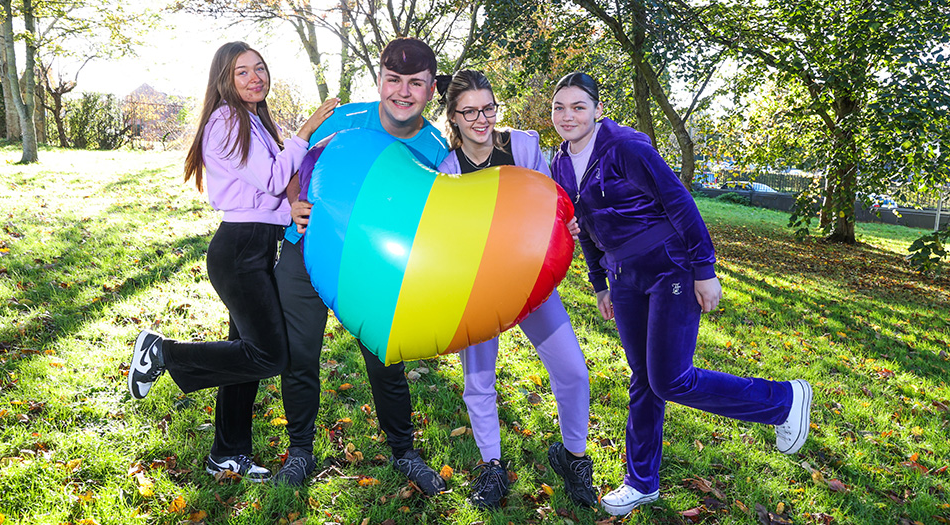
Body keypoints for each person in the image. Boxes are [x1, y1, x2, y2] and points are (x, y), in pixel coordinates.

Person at [549, 72, 812, 517]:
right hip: (624, 277)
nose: (568, 116)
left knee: (670, 378)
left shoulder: (627, 147)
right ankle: (641, 481)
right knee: (643, 377)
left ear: (596, 108)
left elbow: (680, 203)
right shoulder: (560, 163)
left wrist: (703, 270)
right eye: (560, 107)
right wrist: (600, 284)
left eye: (578, 106)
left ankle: (783, 401)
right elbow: (586, 229)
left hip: (670, 266)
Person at [125, 41, 338, 482]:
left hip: (257, 244)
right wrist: (306, 130)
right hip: (239, 252)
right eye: (242, 72)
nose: (254, 77)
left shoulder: (254, 120)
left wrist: (291, 213)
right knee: (268, 355)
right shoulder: (225, 121)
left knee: (243, 357)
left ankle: (227, 452)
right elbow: (276, 177)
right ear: (224, 78)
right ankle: (162, 353)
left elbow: (265, 197)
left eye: (259, 68)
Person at [271, 37, 449, 496]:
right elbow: (295, 161)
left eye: (416, 83)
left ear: (430, 90)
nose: (402, 92)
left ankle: (404, 452)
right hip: (305, 251)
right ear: (379, 81)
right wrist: (293, 201)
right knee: (299, 355)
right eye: (394, 80)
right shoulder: (343, 117)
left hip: (373, 266)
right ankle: (300, 452)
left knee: (385, 361)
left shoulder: (435, 147)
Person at [434, 70, 594, 510]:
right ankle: (492, 467)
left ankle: (574, 458)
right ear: (454, 117)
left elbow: (550, 203)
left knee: (574, 371)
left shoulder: (521, 146)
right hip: (478, 288)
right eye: (469, 112)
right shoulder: (447, 169)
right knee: (479, 379)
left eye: (488, 108)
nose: (481, 119)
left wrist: (567, 223)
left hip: (529, 283)